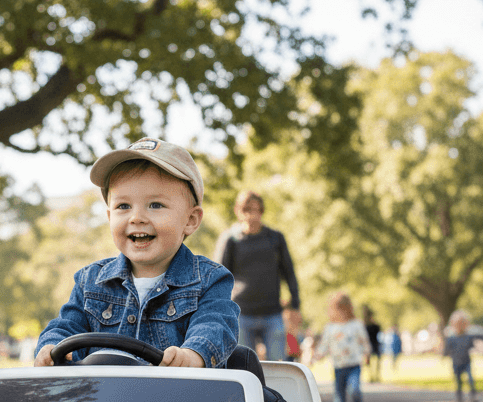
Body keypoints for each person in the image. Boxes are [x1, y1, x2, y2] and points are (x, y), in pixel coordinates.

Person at [35, 138, 239, 369]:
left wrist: (194, 354)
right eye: (123, 206)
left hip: (178, 400)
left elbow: (215, 324)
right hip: (100, 401)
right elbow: (66, 327)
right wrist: (51, 347)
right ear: (110, 216)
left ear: (190, 220)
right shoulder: (89, 282)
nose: (137, 217)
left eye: (155, 205)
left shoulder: (210, 280)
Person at [213, 190, 299, 361]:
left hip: (273, 313)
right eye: (246, 210)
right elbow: (219, 276)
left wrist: (295, 305)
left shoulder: (275, 238)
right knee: (245, 366)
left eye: (255, 210)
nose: (251, 216)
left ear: (261, 211)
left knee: (276, 365)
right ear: (238, 212)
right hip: (241, 314)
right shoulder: (230, 239)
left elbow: (289, 272)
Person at [315, 291, 372, 402]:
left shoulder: (356, 325)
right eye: (336, 309)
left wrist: (367, 354)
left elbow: (364, 341)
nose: (339, 312)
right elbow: (324, 345)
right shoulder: (330, 328)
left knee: (355, 391)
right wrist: (317, 355)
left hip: (354, 365)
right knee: (339, 398)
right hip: (339, 366)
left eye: (342, 309)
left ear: (348, 309)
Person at [442, 310, 478, 402]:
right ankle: (459, 399)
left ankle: (473, 397)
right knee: (458, 382)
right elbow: (447, 349)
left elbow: (471, 346)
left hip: (466, 362)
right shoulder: (451, 338)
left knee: (470, 379)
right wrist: (444, 355)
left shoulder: (467, 337)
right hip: (456, 363)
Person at [363, 305, 382, 382]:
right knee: (369, 362)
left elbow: (378, 330)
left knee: (375, 361)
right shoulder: (365, 326)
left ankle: (375, 376)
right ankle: (371, 376)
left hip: (374, 344)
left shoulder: (372, 326)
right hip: (370, 344)